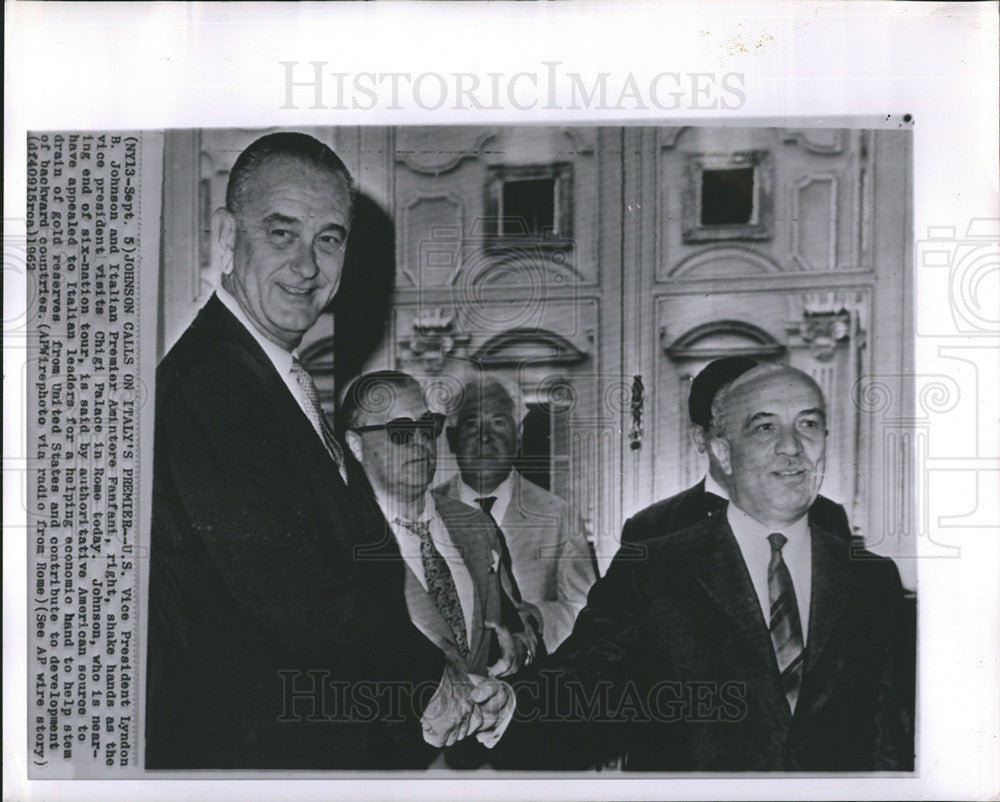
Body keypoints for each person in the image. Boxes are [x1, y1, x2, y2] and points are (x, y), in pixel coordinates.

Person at [146, 133, 477, 769]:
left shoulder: (272, 376)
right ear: (225, 236)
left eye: (329, 239)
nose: (307, 267)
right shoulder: (213, 384)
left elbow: (370, 559)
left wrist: (450, 665)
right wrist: (428, 684)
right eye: (281, 234)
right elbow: (297, 595)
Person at [495, 365, 914, 771]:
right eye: (765, 427)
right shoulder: (653, 570)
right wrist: (507, 702)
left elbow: (890, 741)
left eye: (808, 425)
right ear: (723, 453)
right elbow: (584, 679)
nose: (792, 447)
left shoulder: (872, 580)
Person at [342, 370, 538, 766]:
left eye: (428, 426)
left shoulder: (476, 526)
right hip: (385, 769)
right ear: (356, 445)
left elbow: (520, 621)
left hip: (480, 767)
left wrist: (520, 649)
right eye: (399, 430)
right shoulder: (341, 541)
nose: (419, 441)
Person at [620, 356, 852, 550]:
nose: (788, 447)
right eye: (763, 427)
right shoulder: (650, 528)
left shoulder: (827, 517)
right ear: (702, 439)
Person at [438, 375, 597, 651]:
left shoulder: (559, 516)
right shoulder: (428, 510)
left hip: (533, 683)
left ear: (518, 436)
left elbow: (587, 613)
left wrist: (535, 620)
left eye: (498, 423)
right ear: (452, 439)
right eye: (472, 424)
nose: (484, 437)